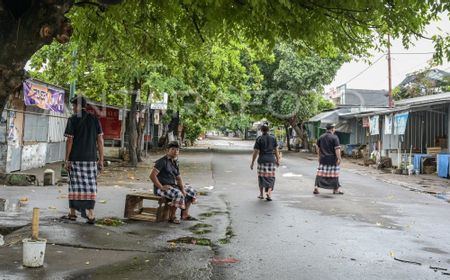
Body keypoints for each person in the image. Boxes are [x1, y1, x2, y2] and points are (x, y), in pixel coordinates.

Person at [62, 96, 104, 224]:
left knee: (75, 186)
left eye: (74, 106)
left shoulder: (73, 120)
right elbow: (100, 141)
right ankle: (91, 213)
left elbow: (70, 140)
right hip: (91, 159)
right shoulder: (94, 119)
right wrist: (101, 159)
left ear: (79, 106)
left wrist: (66, 159)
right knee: (90, 186)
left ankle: (73, 212)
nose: (73, 108)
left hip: (76, 159)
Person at [150, 141, 197, 224]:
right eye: (173, 149)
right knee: (178, 194)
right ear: (167, 150)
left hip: (172, 186)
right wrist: (161, 187)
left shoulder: (175, 162)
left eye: (177, 150)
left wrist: (183, 189)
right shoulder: (162, 161)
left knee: (190, 190)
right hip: (160, 188)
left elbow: (178, 178)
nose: (175, 151)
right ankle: (172, 217)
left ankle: (184, 215)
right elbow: (152, 176)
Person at [250, 122, 280, 201]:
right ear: (268, 130)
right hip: (271, 160)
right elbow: (276, 151)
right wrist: (278, 160)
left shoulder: (259, 139)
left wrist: (252, 162)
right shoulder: (273, 138)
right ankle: (269, 193)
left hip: (262, 160)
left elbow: (255, 152)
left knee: (261, 177)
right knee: (271, 177)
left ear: (261, 130)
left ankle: (261, 194)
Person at [313, 123, 343, 195]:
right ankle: (335, 189)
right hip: (332, 160)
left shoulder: (321, 137)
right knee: (334, 175)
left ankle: (316, 187)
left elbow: (318, 148)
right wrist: (339, 158)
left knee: (320, 173)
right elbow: (337, 149)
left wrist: (319, 156)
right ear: (332, 129)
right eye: (334, 128)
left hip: (323, 159)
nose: (335, 129)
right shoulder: (335, 137)